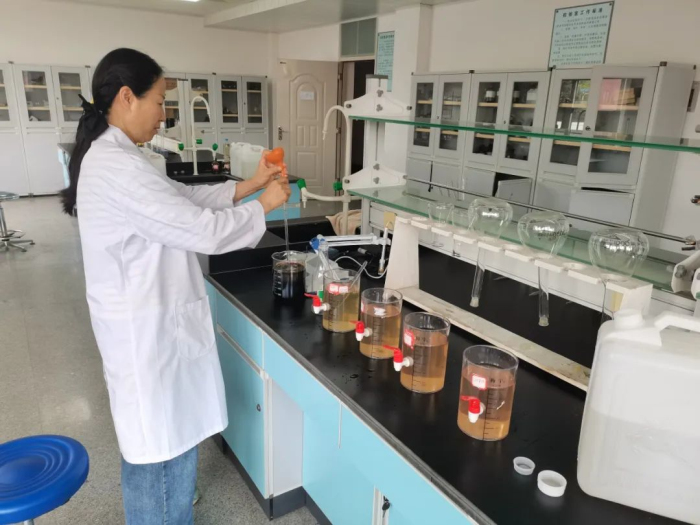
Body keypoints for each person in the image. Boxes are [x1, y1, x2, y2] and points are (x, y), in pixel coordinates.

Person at [60, 48, 290, 524]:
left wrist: (250, 185)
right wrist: (264, 205)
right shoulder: (116, 166)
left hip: (150, 325)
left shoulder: (121, 155)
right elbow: (200, 229)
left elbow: (181, 197)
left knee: (161, 448)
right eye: (160, 101)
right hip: (147, 335)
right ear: (127, 97)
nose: (164, 114)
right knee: (161, 454)